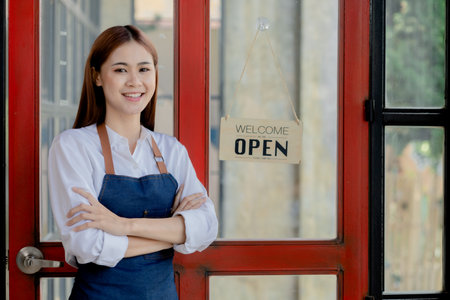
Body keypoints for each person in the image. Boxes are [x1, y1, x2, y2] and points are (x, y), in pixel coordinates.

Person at [48, 25, 218, 300]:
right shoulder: (73, 146)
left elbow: (207, 227)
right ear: (97, 76)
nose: (134, 81)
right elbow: (86, 244)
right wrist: (174, 230)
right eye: (120, 70)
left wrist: (123, 225)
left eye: (143, 69)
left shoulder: (171, 150)